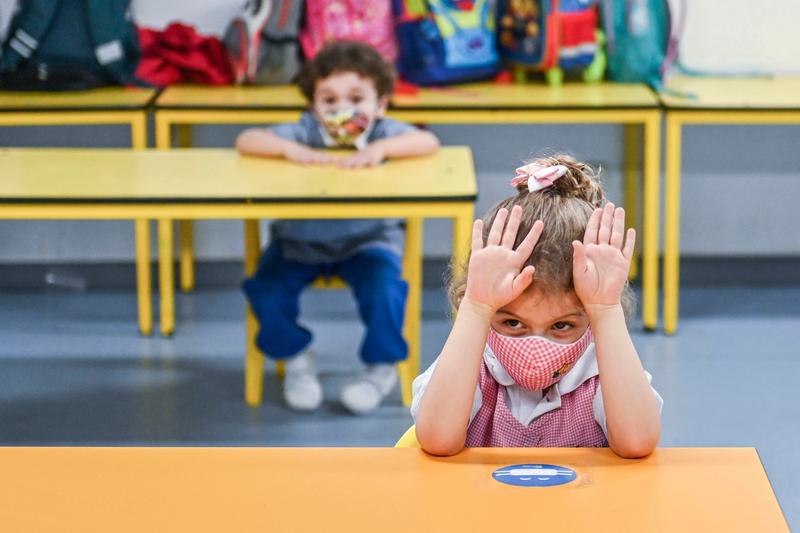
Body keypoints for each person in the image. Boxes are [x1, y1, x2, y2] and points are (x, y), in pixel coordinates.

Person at [236, 40, 439, 414]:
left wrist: (380, 151)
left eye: (357, 98)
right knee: (264, 290)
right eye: (329, 100)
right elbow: (247, 139)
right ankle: (296, 357)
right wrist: (289, 151)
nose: (342, 109)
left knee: (386, 293)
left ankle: (380, 370)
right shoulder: (306, 131)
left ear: (380, 105)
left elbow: (427, 140)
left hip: (367, 242)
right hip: (300, 242)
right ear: (314, 106)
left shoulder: (383, 132)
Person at [411, 155, 662, 457]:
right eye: (512, 323)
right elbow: (437, 439)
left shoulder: (603, 368)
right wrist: (476, 307)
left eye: (561, 326)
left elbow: (638, 442)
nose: (536, 347)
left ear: (589, 320)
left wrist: (606, 311)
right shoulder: (470, 363)